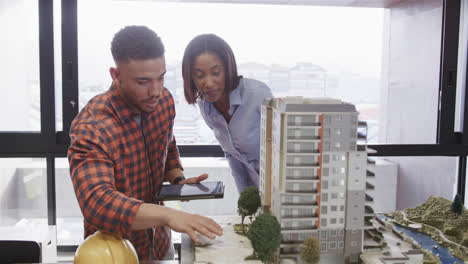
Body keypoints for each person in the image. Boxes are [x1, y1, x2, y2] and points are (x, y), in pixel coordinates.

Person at [68, 26, 222, 261]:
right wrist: (169, 215)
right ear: (115, 75)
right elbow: (97, 203)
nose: (156, 91)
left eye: (160, 78)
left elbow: (167, 146)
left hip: (160, 243)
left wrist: (178, 181)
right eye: (143, 82)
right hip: (115, 252)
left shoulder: (163, 102)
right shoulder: (93, 127)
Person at [182, 34, 273, 193]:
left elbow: (281, 150)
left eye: (215, 72)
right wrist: (245, 203)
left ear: (228, 69)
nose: (208, 83)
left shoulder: (258, 94)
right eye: (199, 75)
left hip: (280, 190)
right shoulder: (205, 106)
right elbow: (233, 156)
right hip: (255, 194)